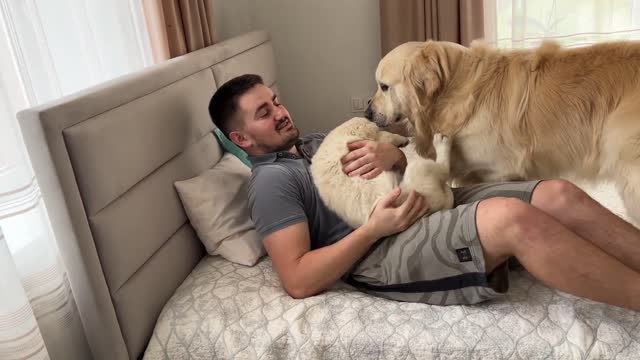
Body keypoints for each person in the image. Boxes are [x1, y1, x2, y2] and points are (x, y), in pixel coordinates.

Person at [208, 74, 640, 310]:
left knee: (558, 194)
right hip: (378, 251)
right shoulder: (271, 182)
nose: (282, 113)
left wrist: (392, 157)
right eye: (265, 114)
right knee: (511, 218)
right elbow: (298, 280)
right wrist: (374, 230)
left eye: (277, 101)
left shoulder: (317, 143)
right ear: (241, 139)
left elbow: (399, 162)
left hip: (415, 205)